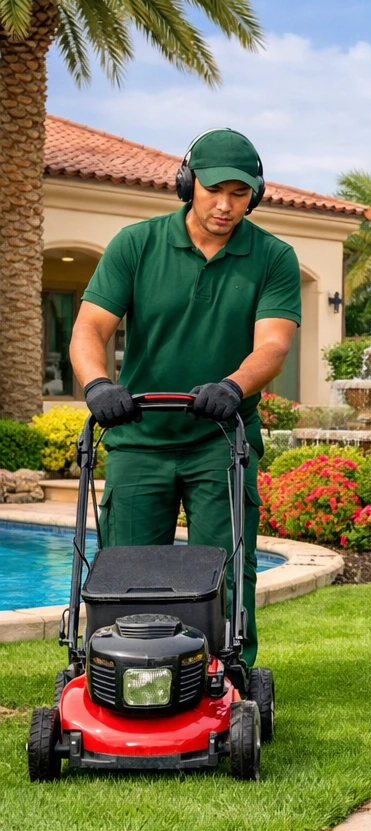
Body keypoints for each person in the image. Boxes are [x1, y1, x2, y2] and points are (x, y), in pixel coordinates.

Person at [69, 128, 301, 671]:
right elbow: (88, 328)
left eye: (239, 194)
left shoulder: (272, 256)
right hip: (139, 439)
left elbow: (273, 344)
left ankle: (228, 674)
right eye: (213, 189)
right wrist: (98, 385)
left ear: (256, 194)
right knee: (125, 568)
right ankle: (114, 674)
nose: (225, 206)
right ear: (186, 183)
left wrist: (233, 386)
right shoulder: (137, 243)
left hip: (221, 440)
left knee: (227, 565)